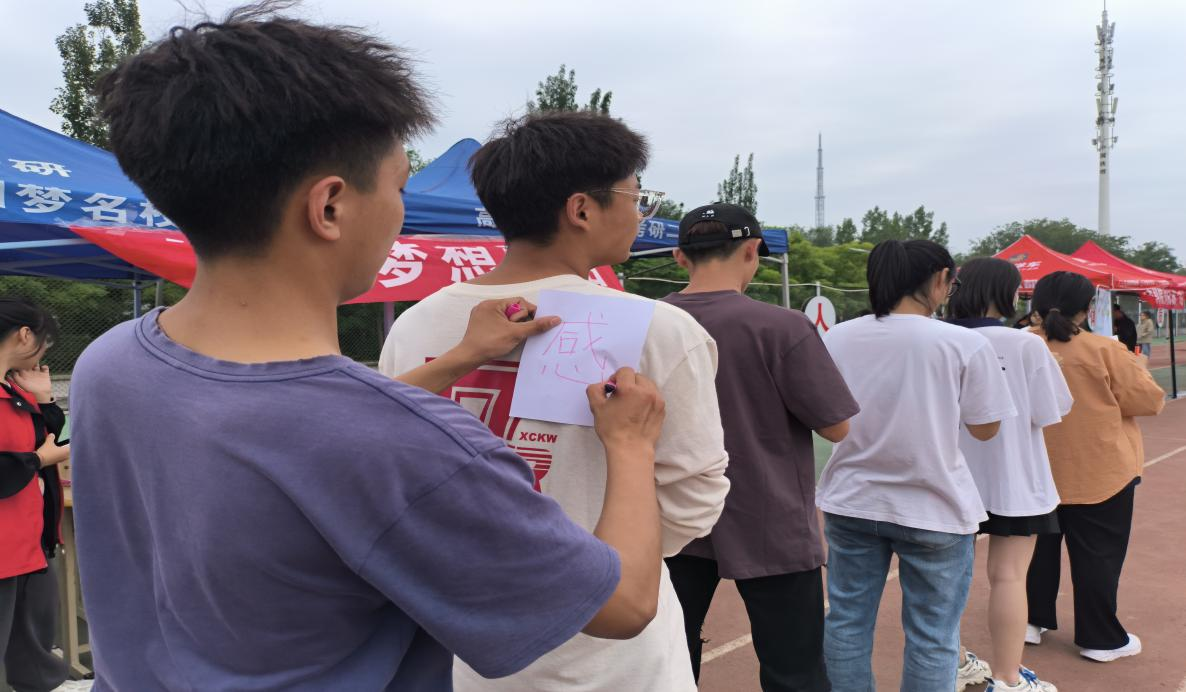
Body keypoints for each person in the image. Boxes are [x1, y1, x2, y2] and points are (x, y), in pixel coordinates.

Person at [70, 6, 671, 690]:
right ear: (329, 206)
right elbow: (623, 605)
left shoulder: (112, 363)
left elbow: (301, 434)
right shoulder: (413, 449)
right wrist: (630, 445)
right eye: (399, 185)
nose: (400, 211)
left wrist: (458, 359)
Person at [380, 112, 731, 692]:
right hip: (618, 654)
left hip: (466, 643)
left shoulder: (417, 325)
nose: (641, 214)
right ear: (582, 209)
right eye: (636, 197)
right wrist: (619, 553)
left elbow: (394, 469)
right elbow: (694, 495)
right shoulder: (662, 330)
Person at [658, 203, 859, 691]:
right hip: (770, 515)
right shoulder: (781, 326)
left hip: (670, 512)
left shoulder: (649, 321)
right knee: (795, 669)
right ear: (752, 251)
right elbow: (836, 427)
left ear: (680, 257)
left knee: (665, 661)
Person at [816, 239, 1016, 692]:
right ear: (940, 278)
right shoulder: (964, 343)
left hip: (852, 500)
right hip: (935, 506)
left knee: (846, 620)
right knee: (933, 635)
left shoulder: (838, 336)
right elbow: (985, 428)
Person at [946, 259, 1073, 692]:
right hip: (1013, 476)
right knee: (1009, 576)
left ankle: (954, 662)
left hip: (949, 476)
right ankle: (1007, 679)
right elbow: (1050, 410)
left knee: (942, 579)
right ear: (1001, 292)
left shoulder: (938, 337)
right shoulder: (1025, 344)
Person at [1025, 272, 1165, 663]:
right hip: (1099, 470)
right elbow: (1148, 401)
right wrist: (1137, 366)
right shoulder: (1105, 349)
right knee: (1098, 556)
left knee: (1031, 551)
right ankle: (1099, 638)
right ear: (1088, 308)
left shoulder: (1019, 345)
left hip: (1033, 469)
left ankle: (1029, 620)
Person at [0, 299, 90, 692]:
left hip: (26, 541)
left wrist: (45, 400)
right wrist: (37, 460)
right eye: (43, 343)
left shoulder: (13, 390)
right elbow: (42, 453)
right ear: (25, 335)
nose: (42, 355)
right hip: (7, 546)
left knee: (34, 642)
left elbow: (52, 442)